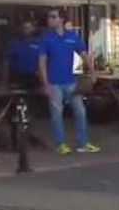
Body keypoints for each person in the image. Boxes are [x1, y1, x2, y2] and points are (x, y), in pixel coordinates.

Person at [39, 10, 98, 155]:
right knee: (57, 114)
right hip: (54, 83)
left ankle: (82, 143)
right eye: (49, 16)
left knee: (80, 112)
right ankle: (60, 144)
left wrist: (92, 71)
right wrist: (45, 83)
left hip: (71, 82)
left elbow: (84, 55)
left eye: (53, 17)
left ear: (61, 20)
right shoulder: (46, 38)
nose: (49, 19)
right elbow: (42, 61)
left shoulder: (72, 37)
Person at [3, 19, 41, 90]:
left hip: (34, 78)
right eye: (25, 28)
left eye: (29, 27)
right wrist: (5, 80)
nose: (27, 30)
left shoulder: (39, 43)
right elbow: (6, 61)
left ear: (33, 28)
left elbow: (43, 61)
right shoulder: (13, 43)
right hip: (17, 78)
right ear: (21, 29)